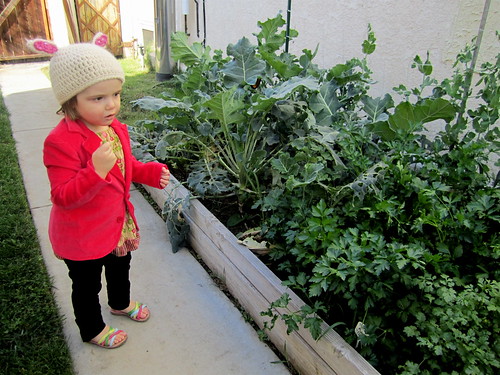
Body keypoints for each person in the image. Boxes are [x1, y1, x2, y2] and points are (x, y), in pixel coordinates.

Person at [28, 33, 170, 349]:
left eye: (116, 94)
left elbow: (125, 165)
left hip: (116, 226)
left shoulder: (115, 127)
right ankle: (91, 329)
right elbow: (62, 195)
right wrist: (95, 172)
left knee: (120, 268)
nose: (111, 104)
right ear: (70, 101)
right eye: (98, 98)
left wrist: (147, 172)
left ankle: (119, 303)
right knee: (87, 285)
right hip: (82, 235)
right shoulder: (60, 141)